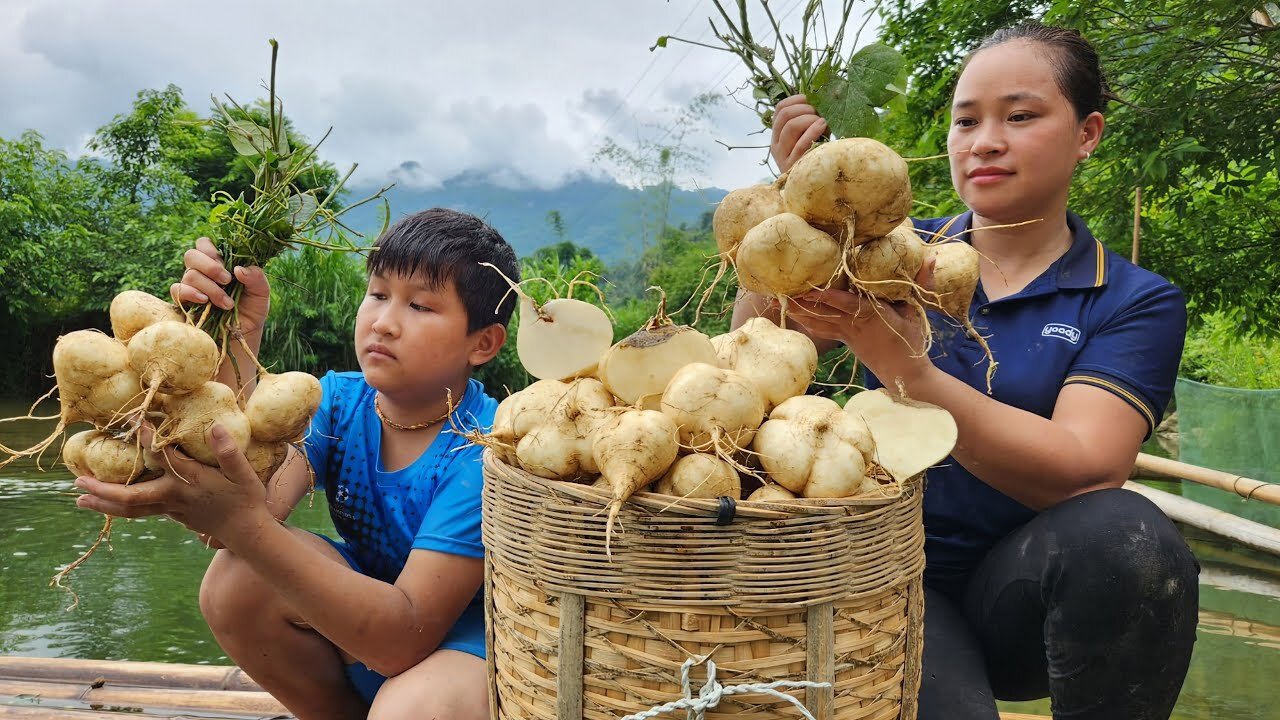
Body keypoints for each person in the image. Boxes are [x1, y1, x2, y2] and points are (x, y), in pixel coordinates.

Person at [737, 22, 1199, 720]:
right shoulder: (885, 255)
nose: (983, 141)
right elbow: (747, 362)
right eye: (965, 121)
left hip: (1023, 591)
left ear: (1087, 134)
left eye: (1020, 116)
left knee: (1129, 537)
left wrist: (905, 368)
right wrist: (790, 216)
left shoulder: (1132, 300)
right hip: (882, 572)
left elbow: (1086, 469)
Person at [74, 208, 519, 720]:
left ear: (482, 343)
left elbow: (403, 638)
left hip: (465, 653)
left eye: (419, 305)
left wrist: (240, 522)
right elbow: (248, 504)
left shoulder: (488, 447)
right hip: (364, 629)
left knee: (414, 709)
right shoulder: (334, 403)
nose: (383, 322)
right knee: (236, 579)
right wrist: (236, 335)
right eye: (377, 294)